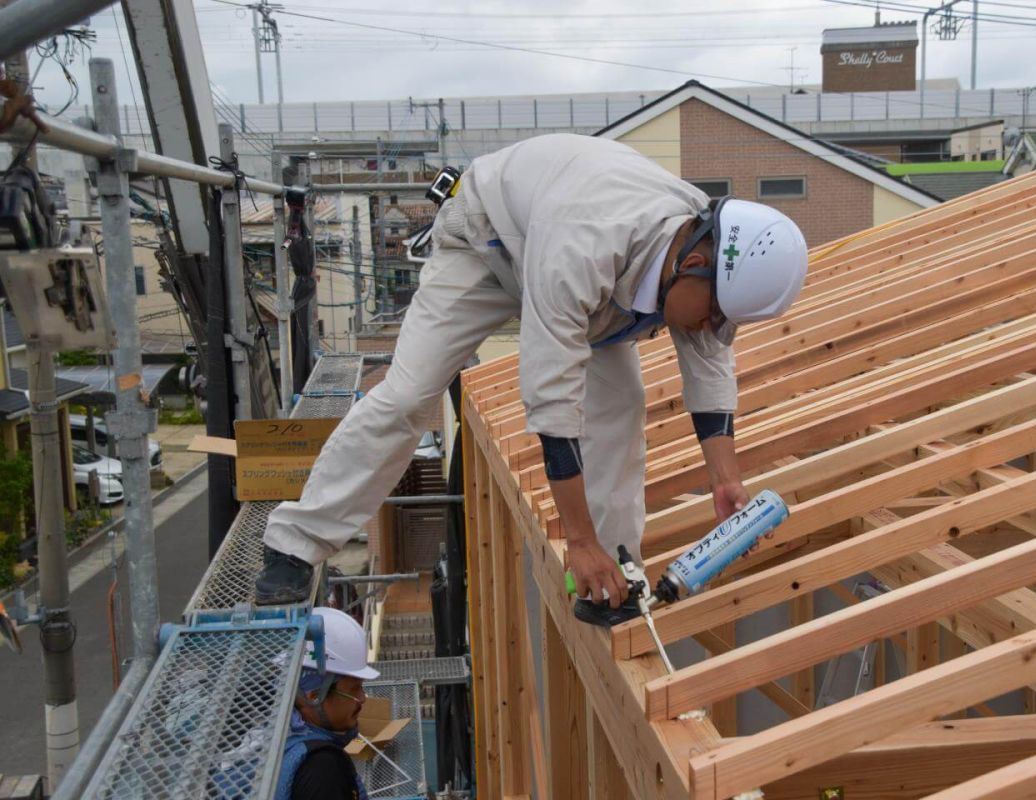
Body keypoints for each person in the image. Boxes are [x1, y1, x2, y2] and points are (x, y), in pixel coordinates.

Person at [255, 133, 808, 624]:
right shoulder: (587, 242)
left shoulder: (702, 252)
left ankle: (614, 576)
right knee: (408, 397)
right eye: (715, 313)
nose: (713, 328)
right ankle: (294, 544)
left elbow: (709, 365)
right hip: (487, 244)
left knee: (622, 406)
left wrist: (724, 479)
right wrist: (578, 540)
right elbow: (552, 403)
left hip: (587, 277)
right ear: (693, 264)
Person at [274, 607, 379, 800]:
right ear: (314, 697)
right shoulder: (324, 769)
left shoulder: (279, 739)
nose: (363, 698)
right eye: (354, 689)